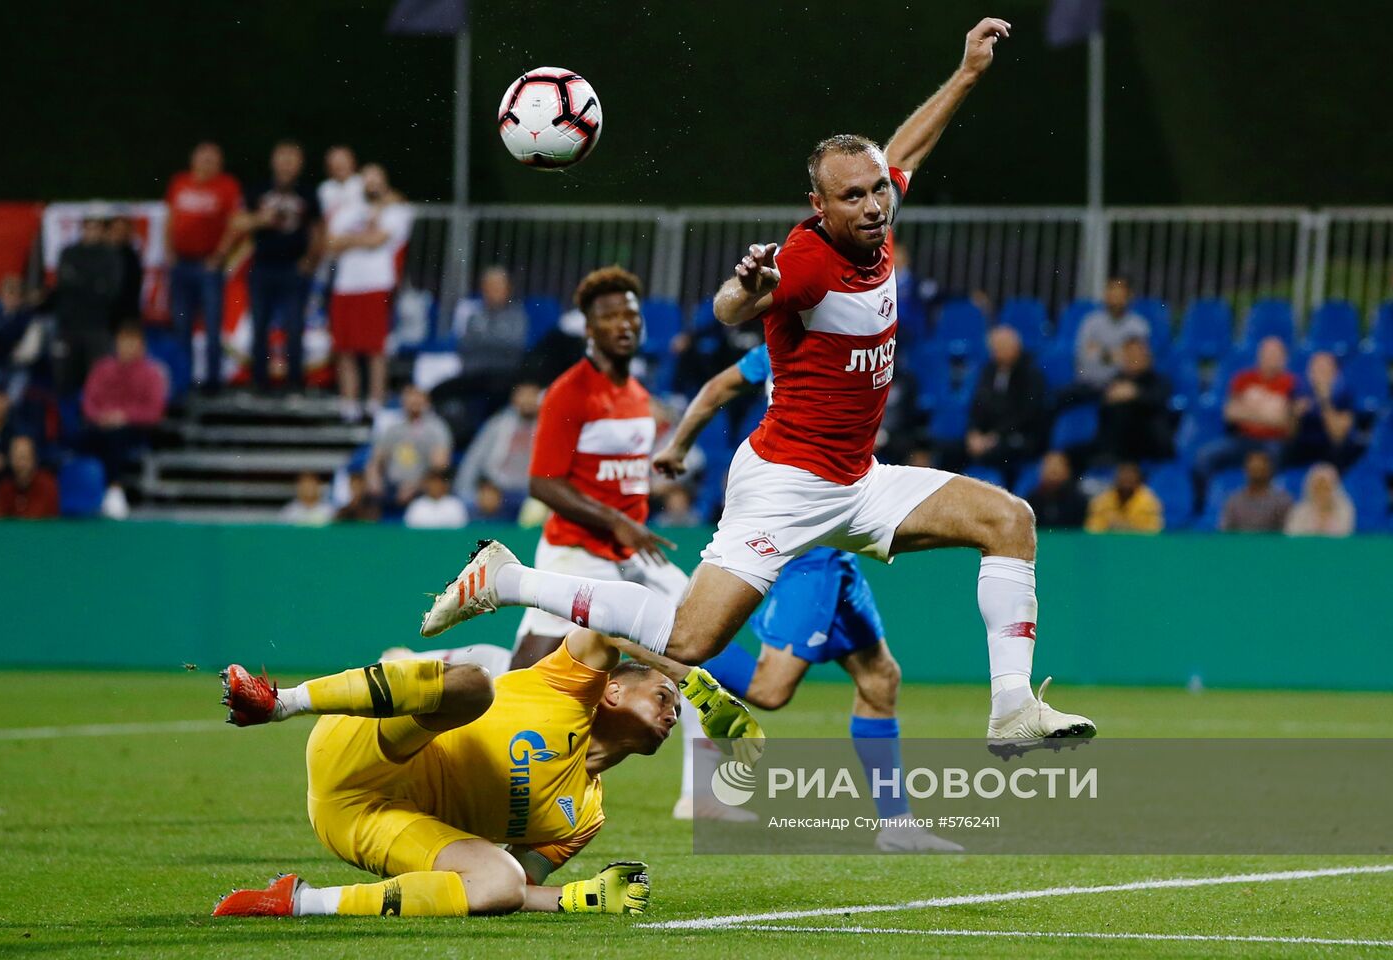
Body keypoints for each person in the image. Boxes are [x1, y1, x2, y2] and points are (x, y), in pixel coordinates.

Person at [422, 19, 1095, 752]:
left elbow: (904, 154)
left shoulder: (877, 217)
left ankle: (1010, 709)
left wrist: (966, 74)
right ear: (819, 206)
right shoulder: (804, 261)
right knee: (690, 639)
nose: (873, 205)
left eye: (877, 191)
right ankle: (506, 579)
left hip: (857, 482)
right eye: (853, 197)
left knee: (1009, 520)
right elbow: (727, 309)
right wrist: (748, 289)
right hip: (783, 485)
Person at [210, 612, 761, 918]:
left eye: (678, 704)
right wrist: (697, 680)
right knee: (474, 684)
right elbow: (612, 624)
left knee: (497, 883)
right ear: (612, 692)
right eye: (665, 696)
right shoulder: (568, 685)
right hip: (362, 749)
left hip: (359, 822)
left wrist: (578, 899)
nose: (674, 713)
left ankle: (296, 902)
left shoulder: (585, 817)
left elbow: (520, 886)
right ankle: (279, 702)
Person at [651, 342, 961, 852]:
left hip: (833, 540)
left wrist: (678, 447)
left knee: (880, 677)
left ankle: (898, 826)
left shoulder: (826, 339)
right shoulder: (798, 342)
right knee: (772, 689)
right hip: (803, 531)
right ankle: (659, 637)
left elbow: (717, 388)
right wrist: (678, 446)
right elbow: (718, 389)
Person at [507, 266, 708, 819]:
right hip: (574, 552)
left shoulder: (637, 394)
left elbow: (623, 475)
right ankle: (467, 734)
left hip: (629, 556)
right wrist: (615, 521)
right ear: (588, 330)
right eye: (609, 316)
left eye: (631, 315)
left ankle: (701, 793)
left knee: (691, 649)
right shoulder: (569, 392)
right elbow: (541, 482)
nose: (624, 324)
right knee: (524, 679)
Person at [328, 163, 413, 420]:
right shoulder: (347, 211)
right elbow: (331, 244)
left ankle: (375, 401)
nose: (372, 183)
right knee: (345, 348)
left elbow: (379, 241)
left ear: (385, 182)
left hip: (375, 285)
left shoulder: (397, 211)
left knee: (375, 348)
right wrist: (365, 237)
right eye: (367, 179)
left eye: (377, 178)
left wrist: (351, 240)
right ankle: (349, 403)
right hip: (345, 285)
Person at [237, 140, 322, 392]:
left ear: (299, 164)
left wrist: (310, 260)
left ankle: (295, 383)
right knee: (259, 326)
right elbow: (237, 222)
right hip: (262, 266)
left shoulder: (307, 193)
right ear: (273, 161)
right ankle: (259, 382)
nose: (286, 164)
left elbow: (318, 229)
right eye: (282, 158)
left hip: (293, 269)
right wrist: (259, 219)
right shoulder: (258, 189)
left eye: (291, 159)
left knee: (295, 327)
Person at [165, 141, 242, 391]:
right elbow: (170, 217)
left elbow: (233, 223)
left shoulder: (226, 185)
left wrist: (219, 255)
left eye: (212, 159)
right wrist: (169, 250)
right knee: (181, 325)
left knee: (211, 326)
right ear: (193, 160)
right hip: (181, 264)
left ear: (219, 163)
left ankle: (212, 381)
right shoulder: (179, 182)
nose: (207, 163)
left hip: (207, 264)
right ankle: (184, 380)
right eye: (203, 157)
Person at [80, 322, 168, 518]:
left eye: (131, 343)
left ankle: (114, 490)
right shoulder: (102, 368)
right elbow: (88, 401)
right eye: (123, 342)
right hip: (100, 425)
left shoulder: (152, 373)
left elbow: (154, 411)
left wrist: (125, 417)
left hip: (134, 428)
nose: (126, 348)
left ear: (141, 346)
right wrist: (100, 417)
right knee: (81, 437)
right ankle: (84, 495)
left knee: (116, 439)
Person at [1195, 337, 1298, 482]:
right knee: (1204, 457)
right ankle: (1203, 502)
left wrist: (1249, 410)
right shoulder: (1243, 379)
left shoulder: (1291, 383)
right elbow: (1230, 413)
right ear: (1259, 356)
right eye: (1267, 354)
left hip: (1273, 441)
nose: (1270, 358)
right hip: (1241, 438)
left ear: (1284, 359)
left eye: (1275, 355)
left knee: (1275, 455)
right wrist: (1268, 412)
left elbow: (1284, 423)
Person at [959, 324, 1047, 486]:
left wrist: (995, 436)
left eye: (1002, 348)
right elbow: (977, 405)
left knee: (999, 452)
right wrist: (974, 432)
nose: (997, 353)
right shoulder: (989, 371)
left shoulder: (1031, 373)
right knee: (952, 449)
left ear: (1016, 347)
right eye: (995, 349)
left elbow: (1026, 413)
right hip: (988, 436)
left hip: (1020, 434)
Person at [442, 266, 530, 423]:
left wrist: (483, 343)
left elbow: (515, 348)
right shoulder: (473, 316)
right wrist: (496, 342)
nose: (493, 291)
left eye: (498, 286)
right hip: (475, 373)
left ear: (508, 289)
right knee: (442, 392)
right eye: (489, 287)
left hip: (503, 374)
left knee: (497, 390)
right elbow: (464, 347)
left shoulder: (518, 315)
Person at [52, 216, 121, 391]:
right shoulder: (69, 252)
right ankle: (67, 417)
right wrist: (94, 283)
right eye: (88, 227)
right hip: (69, 325)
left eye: (95, 228)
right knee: (64, 379)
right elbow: (63, 284)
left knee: (97, 379)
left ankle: (92, 416)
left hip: (97, 325)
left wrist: (78, 279)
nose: (91, 232)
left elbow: (111, 291)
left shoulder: (111, 256)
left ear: (102, 230)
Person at [366, 384, 452, 513]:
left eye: (418, 396)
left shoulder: (436, 429)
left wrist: (415, 486)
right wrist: (374, 480)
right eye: (410, 395)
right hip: (392, 489)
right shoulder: (394, 429)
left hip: (422, 491)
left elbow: (439, 466)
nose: (414, 400)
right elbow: (376, 460)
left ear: (426, 400)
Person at [454, 379, 540, 503]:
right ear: (514, 399)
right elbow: (475, 457)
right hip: (499, 489)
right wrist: (464, 489)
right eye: (523, 395)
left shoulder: (548, 426)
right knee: (469, 499)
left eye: (532, 395)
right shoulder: (499, 424)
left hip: (532, 491)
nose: (528, 400)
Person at [1095, 337, 1174, 464]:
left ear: (1147, 357)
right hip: (1120, 445)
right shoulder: (1116, 381)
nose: (1133, 359)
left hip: (1151, 442)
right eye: (1129, 355)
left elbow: (1158, 400)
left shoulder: (1159, 380)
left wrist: (1135, 394)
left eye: (1137, 354)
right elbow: (1103, 408)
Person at [1074, 277, 1150, 392]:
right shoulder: (1090, 322)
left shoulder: (1139, 326)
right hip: (1089, 384)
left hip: (1122, 386)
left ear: (1129, 297)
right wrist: (1119, 354)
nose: (1115, 300)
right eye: (1112, 294)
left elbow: (1135, 363)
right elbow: (1083, 356)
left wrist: (1099, 352)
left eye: (1119, 296)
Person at [1287, 352, 1358, 470]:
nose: (1319, 374)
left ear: (1335, 373)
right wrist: (1295, 415)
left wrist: (1325, 401)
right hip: (1303, 445)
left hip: (1331, 447)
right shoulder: (1300, 392)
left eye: (1324, 369)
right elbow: (1289, 433)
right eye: (1316, 369)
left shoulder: (1343, 395)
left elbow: (1337, 436)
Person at [1220, 448, 1293, 533]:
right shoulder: (1233, 500)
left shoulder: (1283, 500)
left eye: (1260, 468)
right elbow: (1225, 533)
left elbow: (1287, 533)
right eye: (1254, 469)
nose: (1257, 471)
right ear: (1246, 470)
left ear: (1270, 470)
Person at [1083, 461, 1163, 534]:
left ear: (1137, 481)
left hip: (1139, 546)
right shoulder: (1102, 501)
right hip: (1108, 545)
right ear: (1116, 480)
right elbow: (1093, 530)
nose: (1126, 484)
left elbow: (1154, 531)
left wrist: (1129, 529)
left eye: (1130, 480)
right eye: (1123, 480)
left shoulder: (1149, 502)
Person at [0, 435, 58, 519]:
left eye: (24, 457)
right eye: (16, 457)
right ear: (10, 460)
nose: (21, 463)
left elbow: (36, 518)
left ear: (34, 459)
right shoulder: (5, 487)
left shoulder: (47, 484)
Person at [1284, 463, 1354, 537]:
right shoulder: (1300, 511)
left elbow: (1344, 538)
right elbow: (1292, 538)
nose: (1322, 492)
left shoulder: (1344, 510)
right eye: (1318, 487)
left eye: (1326, 488)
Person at [1026, 450, 1088, 529]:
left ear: (1067, 471)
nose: (1052, 472)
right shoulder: (1032, 501)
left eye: (1056, 468)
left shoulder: (1079, 502)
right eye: (1048, 467)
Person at [105, 217, 144, 325]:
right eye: (116, 230)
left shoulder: (132, 256)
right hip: (101, 315)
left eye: (123, 230)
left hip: (126, 314)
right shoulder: (99, 256)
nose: (119, 234)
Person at [404, 468, 469, 529]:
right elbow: (410, 531)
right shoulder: (416, 505)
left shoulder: (455, 504)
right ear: (426, 484)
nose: (435, 486)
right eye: (432, 482)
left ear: (445, 485)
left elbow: (461, 531)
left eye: (438, 482)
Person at [317, 145, 364, 227]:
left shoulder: (363, 182)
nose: (339, 165)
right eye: (335, 161)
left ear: (353, 162)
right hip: (335, 237)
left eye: (343, 160)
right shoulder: (324, 188)